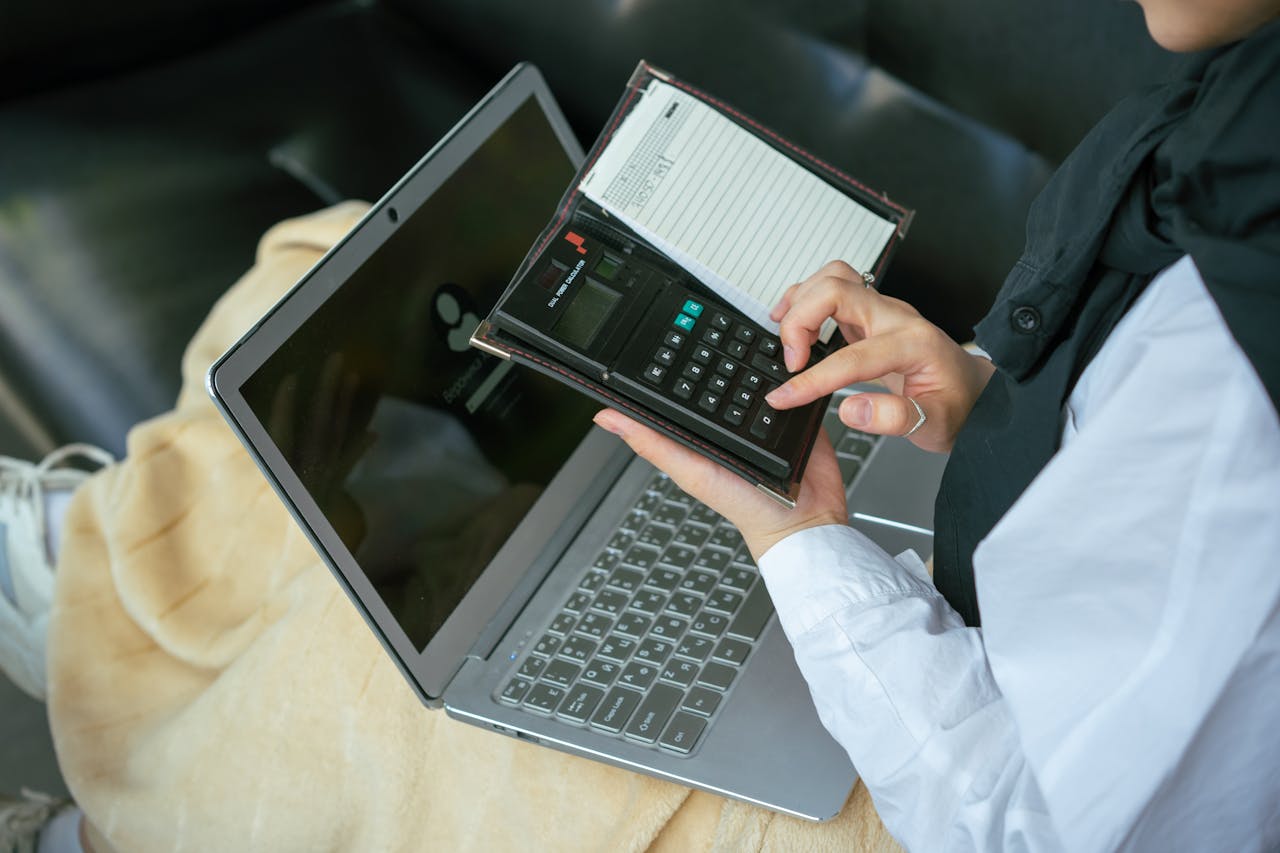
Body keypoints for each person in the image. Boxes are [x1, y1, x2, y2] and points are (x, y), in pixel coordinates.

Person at [593, 3, 1280, 850]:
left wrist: (800, 538)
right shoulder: (1247, 117)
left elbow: (1016, 826)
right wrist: (996, 408)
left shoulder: (1238, 391)